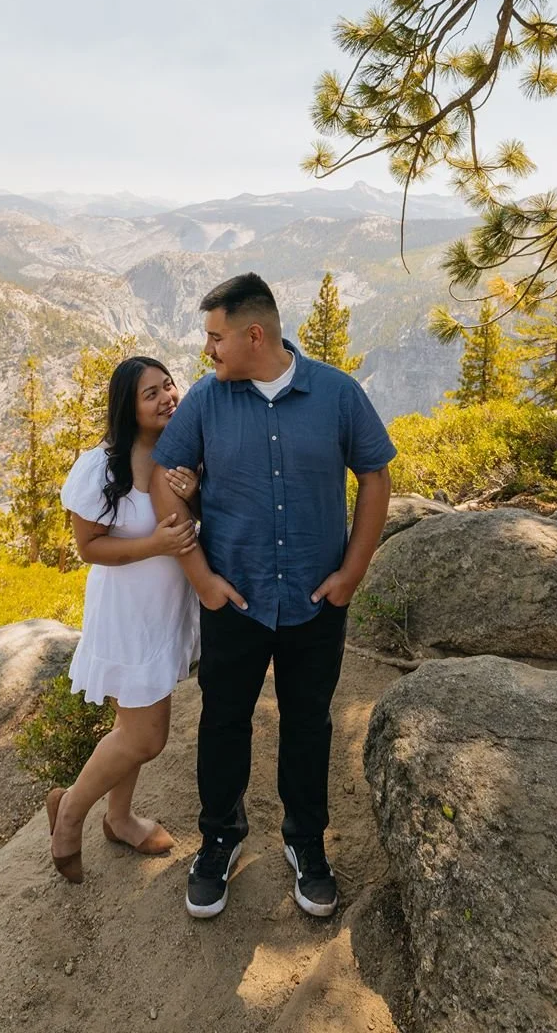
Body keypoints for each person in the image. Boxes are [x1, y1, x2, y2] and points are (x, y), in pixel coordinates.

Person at [149, 273, 395, 921]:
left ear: (253, 334)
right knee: (223, 722)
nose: (207, 352)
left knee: (309, 725)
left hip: (316, 602)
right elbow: (162, 483)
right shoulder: (206, 400)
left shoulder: (338, 395)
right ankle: (220, 842)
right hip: (234, 600)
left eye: (215, 337)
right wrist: (199, 574)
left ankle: (305, 844)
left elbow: (376, 476)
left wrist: (354, 571)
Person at [47, 356, 201, 883]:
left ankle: (119, 818)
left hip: (165, 610)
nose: (166, 397)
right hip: (127, 616)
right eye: (150, 393)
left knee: (130, 727)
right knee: (146, 737)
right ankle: (70, 811)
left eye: (168, 385)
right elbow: (88, 547)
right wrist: (155, 542)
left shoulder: (180, 453)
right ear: (127, 408)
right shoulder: (101, 466)